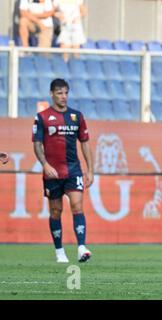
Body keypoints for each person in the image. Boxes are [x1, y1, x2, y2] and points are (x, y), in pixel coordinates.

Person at [32, 78, 94, 263]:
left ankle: (82, 247)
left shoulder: (77, 116)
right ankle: (59, 252)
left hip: (73, 171)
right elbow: (37, 144)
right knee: (56, 211)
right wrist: (45, 164)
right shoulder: (42, 117)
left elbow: (85, 144)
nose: (63, 97)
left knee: (77, 206)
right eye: (59, 93)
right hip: (52, 173)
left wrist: (90, 170)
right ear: (52, 94)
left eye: (66, 93)